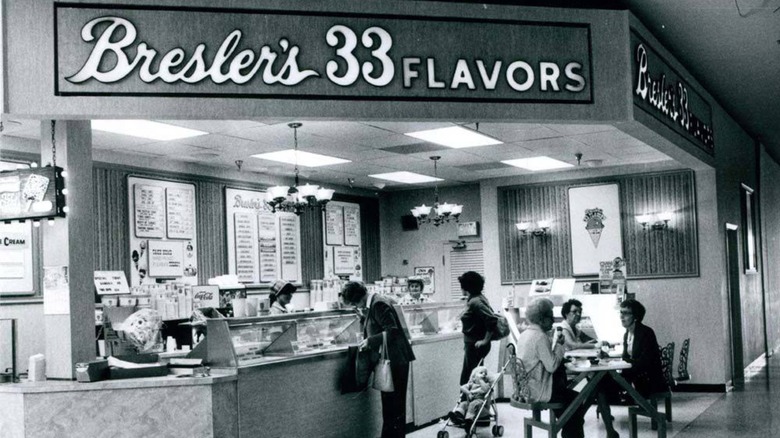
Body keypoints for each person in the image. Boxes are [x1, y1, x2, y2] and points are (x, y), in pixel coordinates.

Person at [341, 281, 415, 438]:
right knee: (391, 404)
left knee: (393, 404)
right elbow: (379, 325)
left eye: (355, 303)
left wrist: (370, 341)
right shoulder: (374, 302)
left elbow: (392, 331)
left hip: (395, 359)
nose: (356, 306)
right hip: (395, 358)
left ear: (359, 298)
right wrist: (363, 318)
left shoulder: (378, 304)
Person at [516, 297, 589, 438]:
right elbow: (552, 366)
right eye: (551, 317)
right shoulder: (539, 337)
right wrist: (560, 346)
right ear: (541, 319)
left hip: (527, 388)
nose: (553, 320)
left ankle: (568, 425)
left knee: (571, 407)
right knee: (576, 400)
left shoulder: (525, 334)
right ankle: (568, 429)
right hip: (541, 390)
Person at [597, 299, 668, 438]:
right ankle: (610, 431)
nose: (621, 316)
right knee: (599, 386)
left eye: (626, 313)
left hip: (647, 379)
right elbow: (626, 359)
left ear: (636, 316)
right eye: (621, 313)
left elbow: (645, 362)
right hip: (632, 376)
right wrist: (609, 358)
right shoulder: (626, 334)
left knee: (601, 387)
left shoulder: (646, 332)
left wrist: (620, 364)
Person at [458, 271, 497, 385]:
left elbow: (491, 320)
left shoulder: (476, 302)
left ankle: (468, 401)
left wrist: (485, 340)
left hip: (475, 344)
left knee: (469, 378)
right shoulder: (476, 298)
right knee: (473, 375)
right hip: (473, 343)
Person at [451, 365, 493, 431]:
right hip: (471, 405)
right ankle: (458, 417)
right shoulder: (472, 384)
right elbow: (462, 387)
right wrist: (469, 393)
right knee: (463, 404)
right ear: (474, 377)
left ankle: (468, 422)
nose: (484, 374)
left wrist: (480, 380)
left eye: (485, 373)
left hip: (482, 407)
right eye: (481, 373)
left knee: (473, 404)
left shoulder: (486, 384)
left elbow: (485, 389)